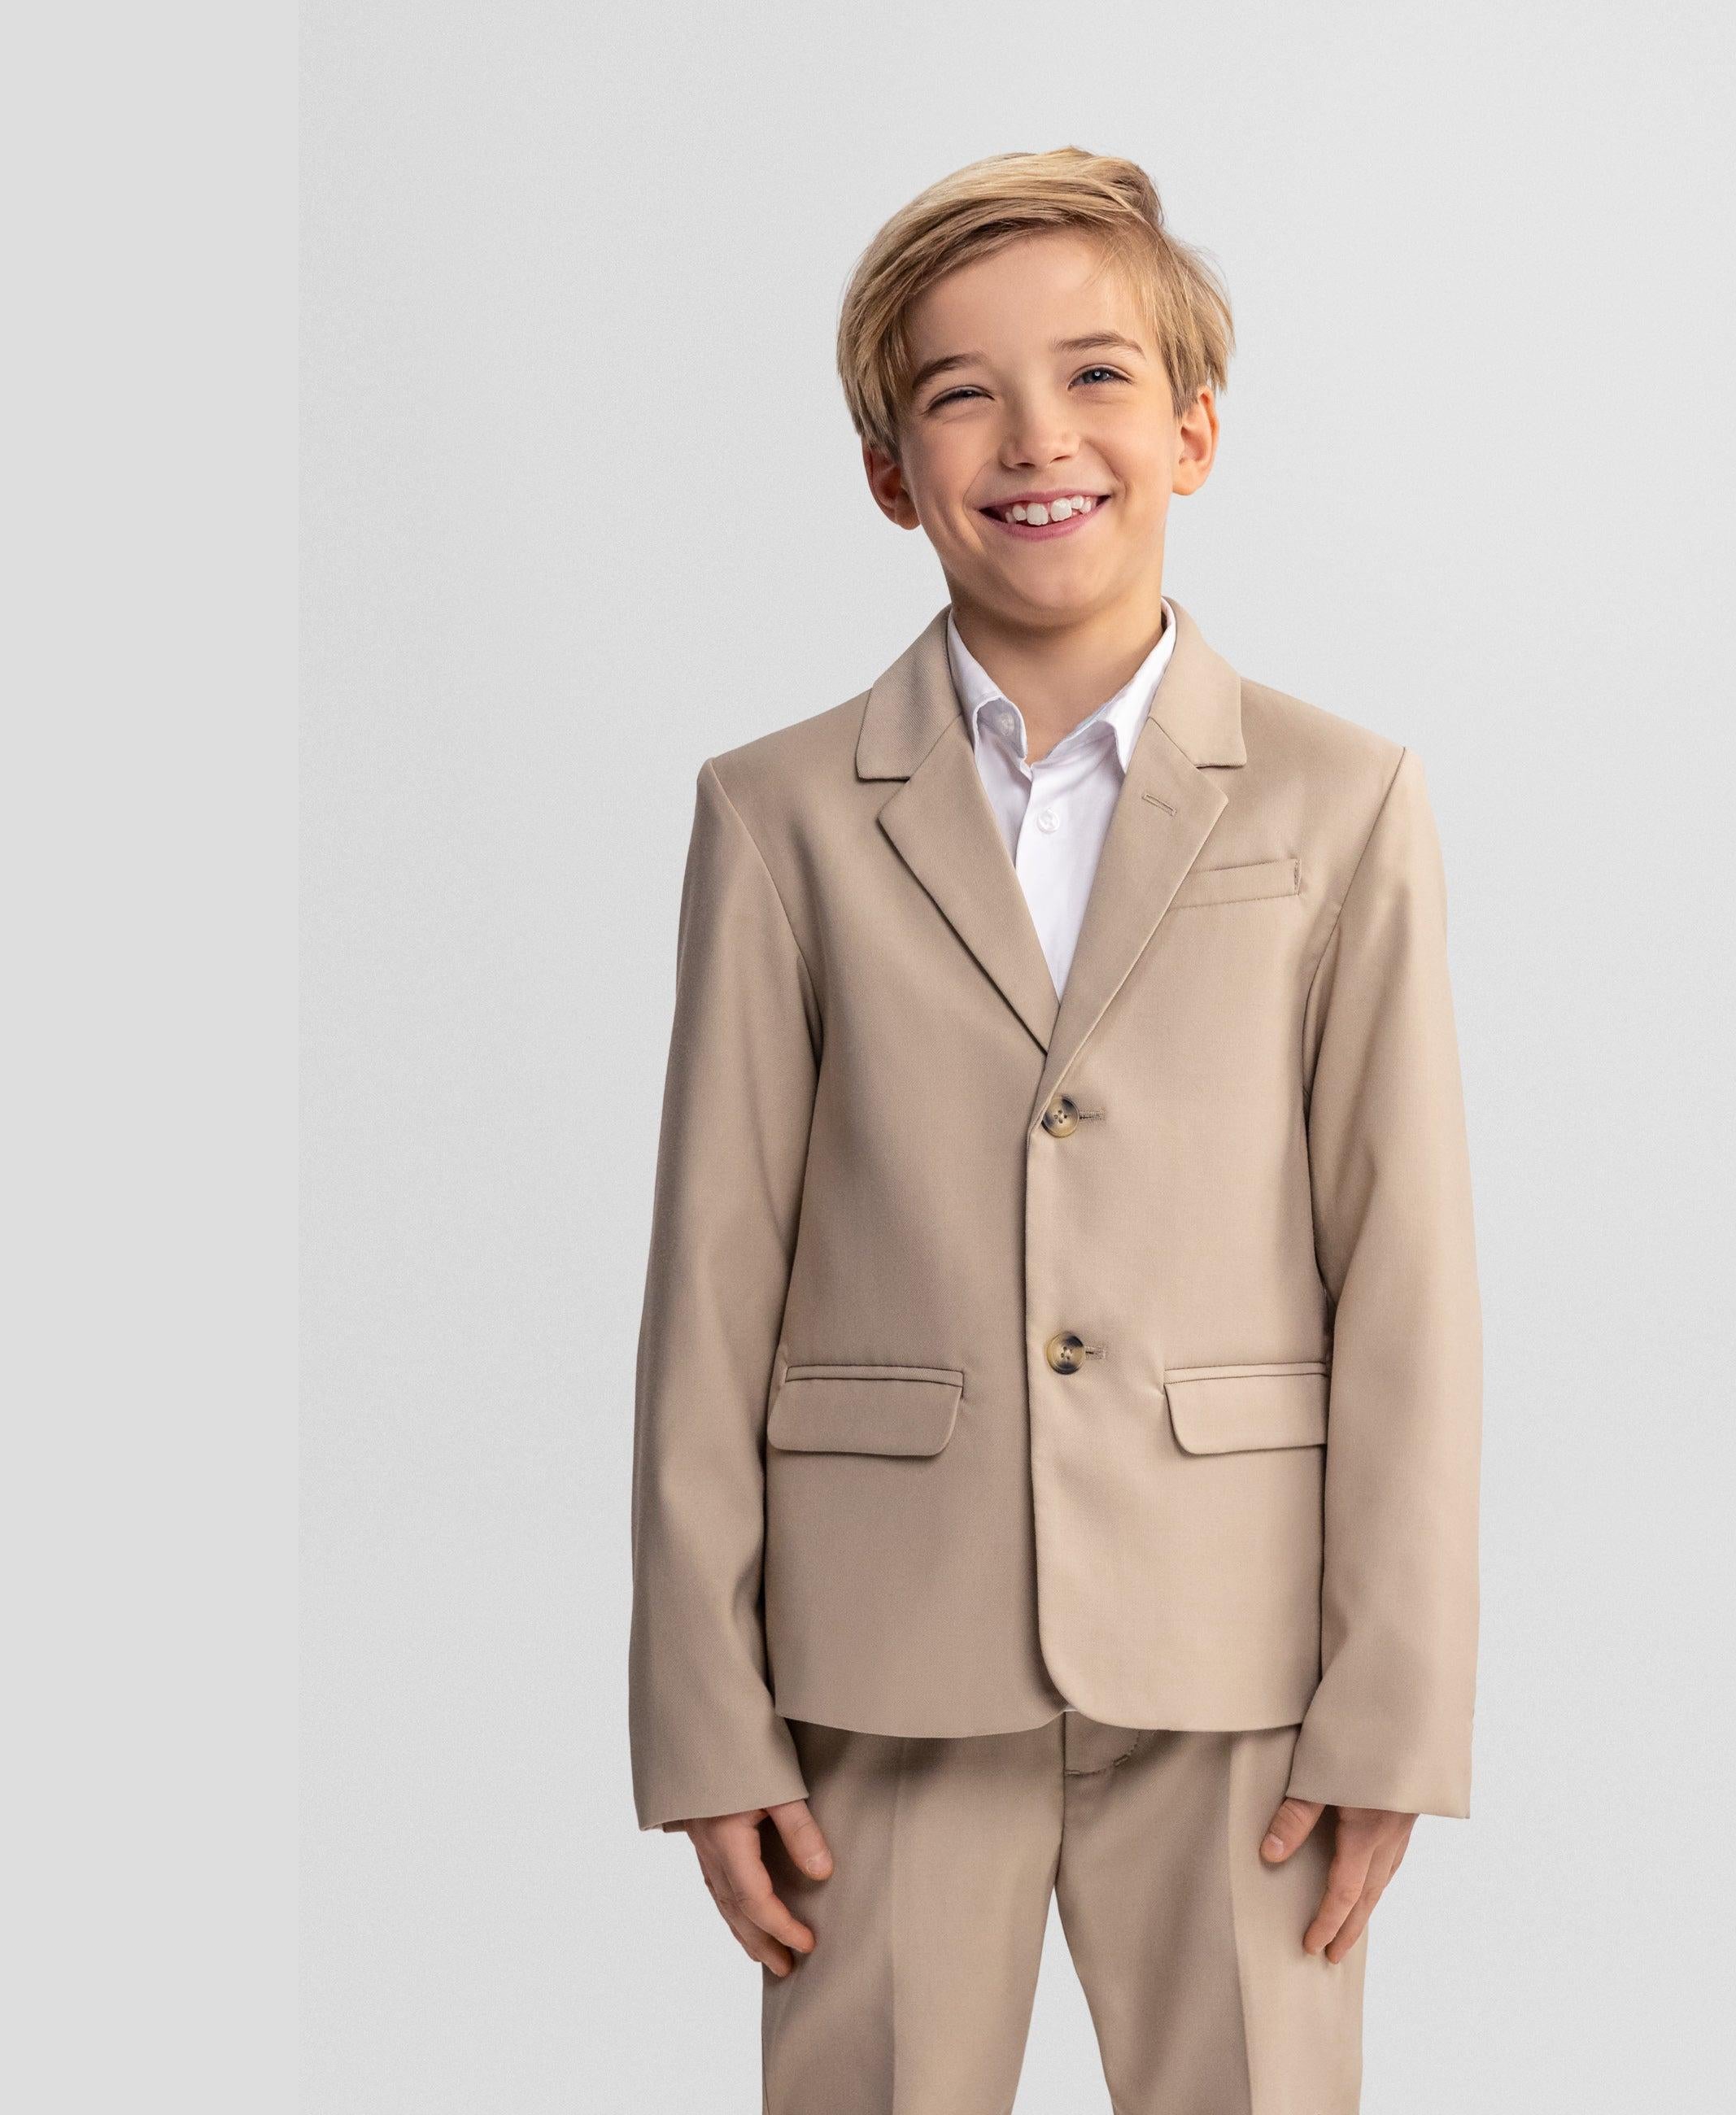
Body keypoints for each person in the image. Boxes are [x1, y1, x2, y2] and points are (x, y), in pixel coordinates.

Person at [628, 146, 1483, 2114]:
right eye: (961, 394)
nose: (1036, 438)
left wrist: (1395, 1699)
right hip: (878, 1663)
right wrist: (705, 1710)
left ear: (1193, 431)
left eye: (1097, 375)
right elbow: (712, 1278)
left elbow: (1407, 1270)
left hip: (1243, 1661)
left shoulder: (1340, 800)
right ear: (887, 472)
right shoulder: (778, 814)